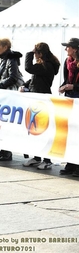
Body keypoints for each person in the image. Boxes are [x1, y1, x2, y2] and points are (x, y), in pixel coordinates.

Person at [21, 42, 60, 170]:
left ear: (40, 53)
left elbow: (28, 68)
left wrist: (29, 54)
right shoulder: (42, 65)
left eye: (36, 53)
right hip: (36, 99)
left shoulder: (47, 66)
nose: (34, 55)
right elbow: (35, 78)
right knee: (35, 130)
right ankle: (37, 157)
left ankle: (47, 159)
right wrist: (25, 85)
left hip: (43, 99)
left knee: (43, 130)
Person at [58, 38, 79, 177]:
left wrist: (73, 86)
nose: (66, 49)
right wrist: (63, 86)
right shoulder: (68, 62)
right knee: (70, 132)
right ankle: (70, 163)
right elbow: (67, 80)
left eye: (68, 47)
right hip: (70, 98)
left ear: (75, 49)